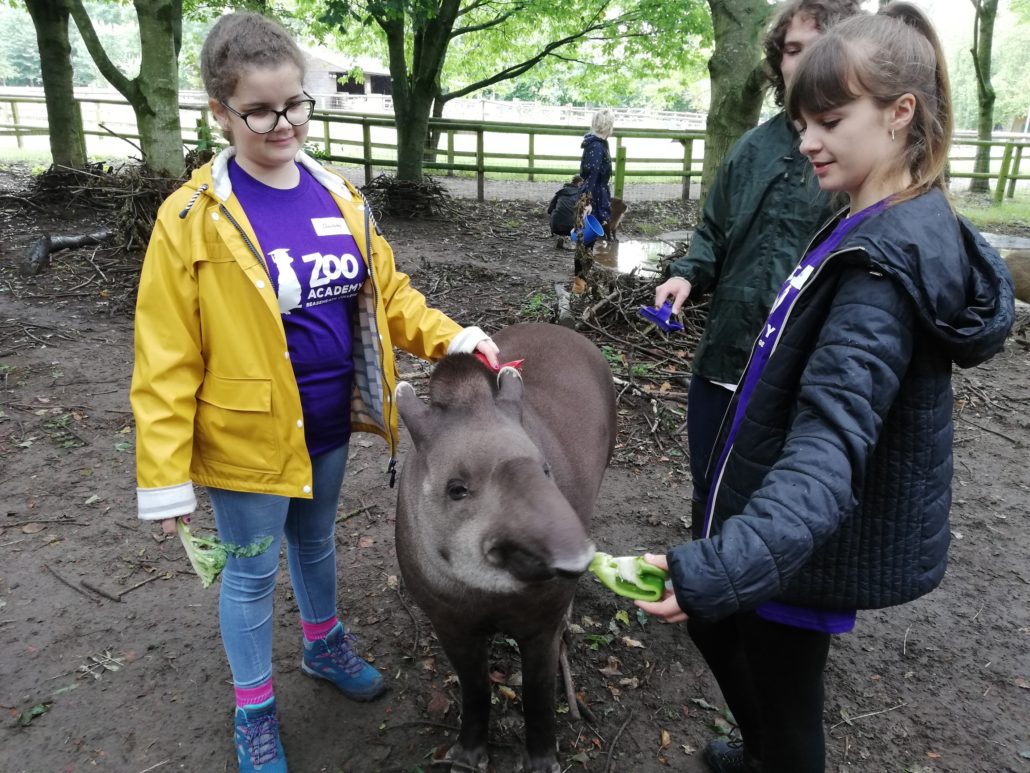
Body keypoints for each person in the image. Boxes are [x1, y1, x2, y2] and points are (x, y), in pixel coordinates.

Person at [638, 4, 1015, 773]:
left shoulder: (881, 264)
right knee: (722, 630)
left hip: (802, 535)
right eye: (803, 119)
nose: (807, 139)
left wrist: (721, 562)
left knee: (786, 689)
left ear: (900, 112)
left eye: (830, 119)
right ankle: (761, 753)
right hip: (772, 513)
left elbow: (829, 449)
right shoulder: (869, 217)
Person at [129, 13, 500, 773]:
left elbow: (389, 295)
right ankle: (255, 709)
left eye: (296, 103)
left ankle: (323, 644)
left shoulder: (338, 192)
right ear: (220, 113)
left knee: (315, 541)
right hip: (246, 438)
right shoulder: (191, 220)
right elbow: (165, 355)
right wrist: (164, 476)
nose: (283, 122)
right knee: (253, 570)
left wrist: (450, 336)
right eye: (260, 110)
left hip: (333, 419)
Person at [654, 0, 863, 542]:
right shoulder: (751, 148)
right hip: (725, 355)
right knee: (710, 484)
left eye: (818, 49)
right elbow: (714, 234)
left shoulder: (862, 159)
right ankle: (704, 594)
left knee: (783, 500)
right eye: (793, 49)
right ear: (778, 61)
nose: (803, 62)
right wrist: (688, 274)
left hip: (803, 373)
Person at [579, 109, 614, 236]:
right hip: (594, 194)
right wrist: (587, 202)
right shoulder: (597, 147)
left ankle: (589, 254)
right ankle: (584, 255)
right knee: (587, 236)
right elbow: (592, 175)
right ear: (609, 126)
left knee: (591, 235)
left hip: (598, 192)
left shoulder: (599, 144)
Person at [547, 174, 584, 247]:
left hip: (556, 226)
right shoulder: (580, 194)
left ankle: (561, 237)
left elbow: (549, 210)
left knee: (559, 214)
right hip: (571, 227)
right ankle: (576, 241)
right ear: (579, 183)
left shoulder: (561, 192)